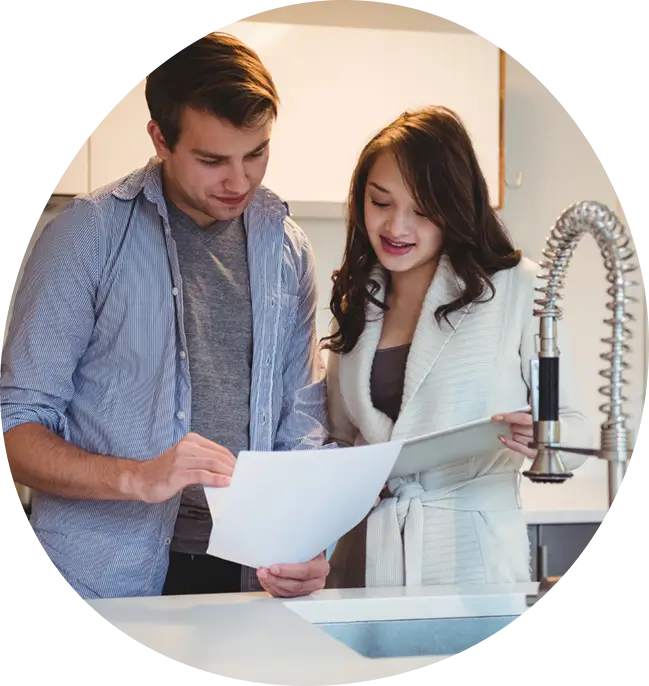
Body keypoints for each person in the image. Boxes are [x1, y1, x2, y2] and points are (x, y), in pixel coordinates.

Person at [0, 32, 332, 600]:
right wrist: (139, 476)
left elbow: (299, 427)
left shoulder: (287, 248)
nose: (240, 180)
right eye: (212, 160)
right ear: (159, 138)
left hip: (252, 574)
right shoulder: (87, 236)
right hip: (105, 573)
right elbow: (16, 430)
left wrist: (309, 540)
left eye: (256, 153)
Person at [321, 105, 593, 589]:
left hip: (471, 556)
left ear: (455, 207)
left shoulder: (518, 289)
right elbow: (340, 439)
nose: (396, 227)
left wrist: (542, 439)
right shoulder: (357, 298)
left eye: (422, 210)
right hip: (366, 554)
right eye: (380, 202)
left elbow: (572, 427)